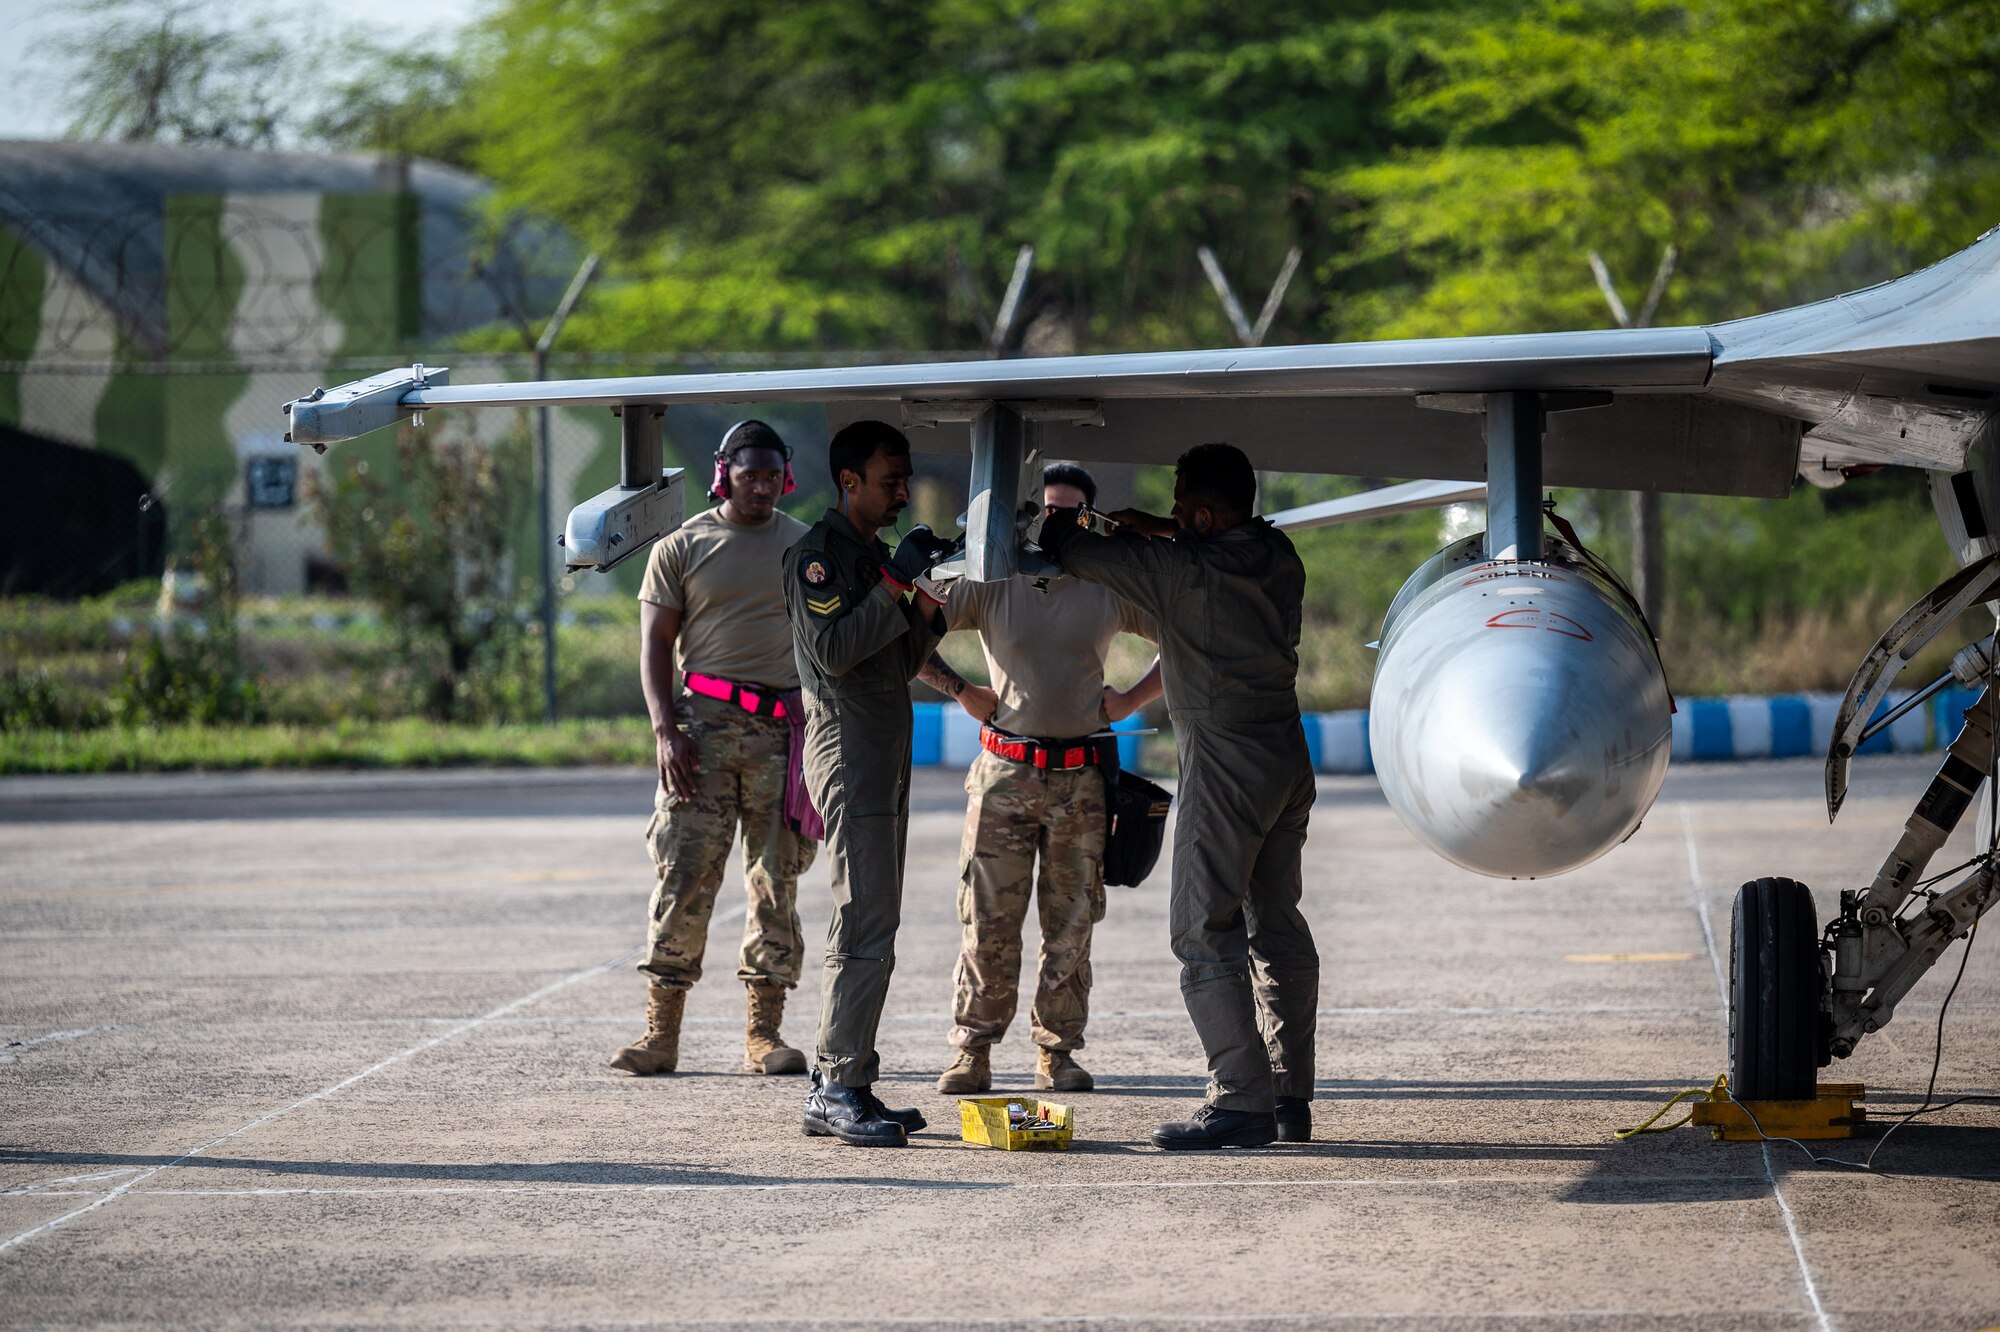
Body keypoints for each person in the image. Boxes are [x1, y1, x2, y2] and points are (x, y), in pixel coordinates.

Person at [1029, 443, 1319, 1150]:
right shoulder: (1279, 555)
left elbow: (1067, 546)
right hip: (1286, 760)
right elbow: (1214, 538)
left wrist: (1079, 523)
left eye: (1183, 501)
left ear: (1205, 514)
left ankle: (1240, 1098)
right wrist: (1162, 523)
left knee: (1200, 930)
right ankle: (1287, 1094)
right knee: (1275, 925)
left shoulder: (1182, 572)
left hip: (1225, 769)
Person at [917, 462, 1163, 1097]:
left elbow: (1188, 635)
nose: (1056, 522)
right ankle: (972, 1051)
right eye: (1046, 510)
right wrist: (958, 689)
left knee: (1072, 923)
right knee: (988, 921)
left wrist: (1133, 699)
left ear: (1092, 518)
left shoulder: (1106, 585)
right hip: (1005, 773)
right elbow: (908, 627)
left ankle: (1057, 1053)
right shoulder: (996, 579)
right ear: (1028, 517)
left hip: (1080, 780)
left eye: (1071, 512)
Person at [610, 421, 819, 1079]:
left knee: (774, 882)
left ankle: (764, 1035)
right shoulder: (682, 545)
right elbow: (653, 646)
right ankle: (660, 1035)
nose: (759, 486)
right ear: (723, 472)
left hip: (781, 738)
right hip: (701, 733)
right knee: (683, 876)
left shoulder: (805, 546)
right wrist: (664, 730)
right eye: (747, 473)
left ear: (785, 476)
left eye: (770, 474)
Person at [786, 419, 956, 1147]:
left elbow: (899, 654)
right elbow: (835, 648)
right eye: (890, 480)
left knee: (878, 920)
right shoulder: (818, 559)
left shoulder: (869, 558)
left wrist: (930, 598)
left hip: (883, 748)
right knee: (862, 921)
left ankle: (852, 1077)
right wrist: (893, 580)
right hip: (849, 750)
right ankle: (835, 1086)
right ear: (849, 481)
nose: (902, 492)